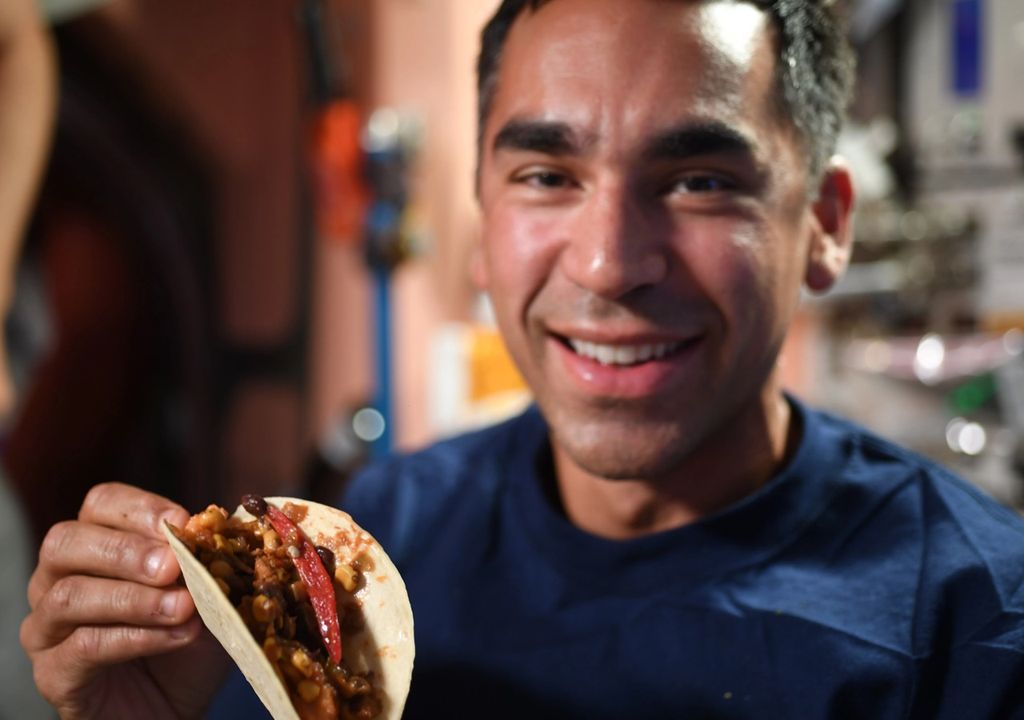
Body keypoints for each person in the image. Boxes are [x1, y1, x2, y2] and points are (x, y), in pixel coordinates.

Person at [21, 0, 1024, 718]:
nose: (607, 264)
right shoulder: (387, 532)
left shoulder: (975, 617)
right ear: (483, 215)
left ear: (826, 224)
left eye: (700, 181)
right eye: (547, 174)